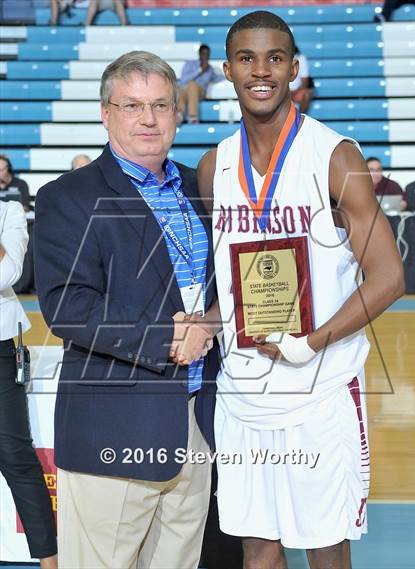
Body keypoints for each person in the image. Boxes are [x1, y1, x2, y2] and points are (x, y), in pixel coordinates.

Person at [198, 11, 405, 568]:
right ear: (226, 70)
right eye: (246, 58)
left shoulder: (336, 156)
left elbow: (389, 277)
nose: (260, 71)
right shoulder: (213, 166)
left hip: (320, 387)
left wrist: (311, 341)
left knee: (324, 545)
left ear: (293, 68)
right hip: (242, 395)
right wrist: (209, 319)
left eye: (273, 58)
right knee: (257, 549)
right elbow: (231, 280)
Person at [34, 51, 220, 568]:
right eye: (132, 105)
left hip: (196, 425)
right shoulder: (67, 198)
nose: (148, 118)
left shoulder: (198, 188)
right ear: (105, 112)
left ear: (178, 113)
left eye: (161, 105)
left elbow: (226, 284)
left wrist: (210, 321)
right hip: (112, 432)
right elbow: (68, 307)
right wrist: (169, 337)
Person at [0, 200, 57, 569]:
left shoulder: (10, 212)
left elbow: (7, 274)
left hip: (1, 348)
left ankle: (50, 562)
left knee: (16, 457)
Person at [178, 44, 223, 124]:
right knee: (182, 87)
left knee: (192, 85)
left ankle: (192, 116)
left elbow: (218, 78)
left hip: (200, 93)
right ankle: (180, 114)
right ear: (199, 54)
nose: (205, 56)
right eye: (203, 54)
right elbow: (183, 80)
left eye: (207, 54)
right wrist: (199, 71)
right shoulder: (190, 64)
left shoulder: (210, 69)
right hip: (185, 91)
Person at [290, 45, 313, 114]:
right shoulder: (278, 59)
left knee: (307, 94)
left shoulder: (301, 58)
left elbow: (305, 82)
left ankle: (300, 119)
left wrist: (293, 93)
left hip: (297, 91)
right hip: (283, 92)